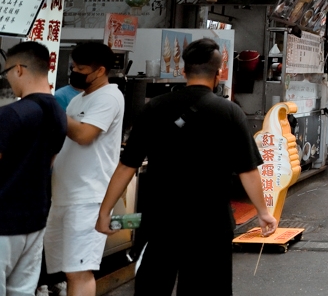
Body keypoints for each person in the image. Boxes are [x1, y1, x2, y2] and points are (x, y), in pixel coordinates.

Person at [96, 38, 276, 295]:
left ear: (183, 72)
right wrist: (263, 212)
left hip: (161, 221)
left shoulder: (155, 107)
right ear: (219, 73)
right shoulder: (230, 112)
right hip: (211, 223)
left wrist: (105, 212)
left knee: (153, 287)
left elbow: (127, 165)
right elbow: (248, 170)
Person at [47, 42, 124, 296]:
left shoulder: (110, 96)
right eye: (73, 67)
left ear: (100, 70)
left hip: (89, 198)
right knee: (69, 272)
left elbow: (84, 135)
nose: (75, 72)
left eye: (81, 68)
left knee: (80, 272)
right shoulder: (79, 99)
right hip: (65, 196)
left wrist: (51, 110)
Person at [0, 42, 67, 296]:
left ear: (18, 69)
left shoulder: (12, 114)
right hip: (35, 219)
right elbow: (48, 163)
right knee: (22, 292)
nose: (7, 79)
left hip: (3, 220)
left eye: (5, 72)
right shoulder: (59, 113)